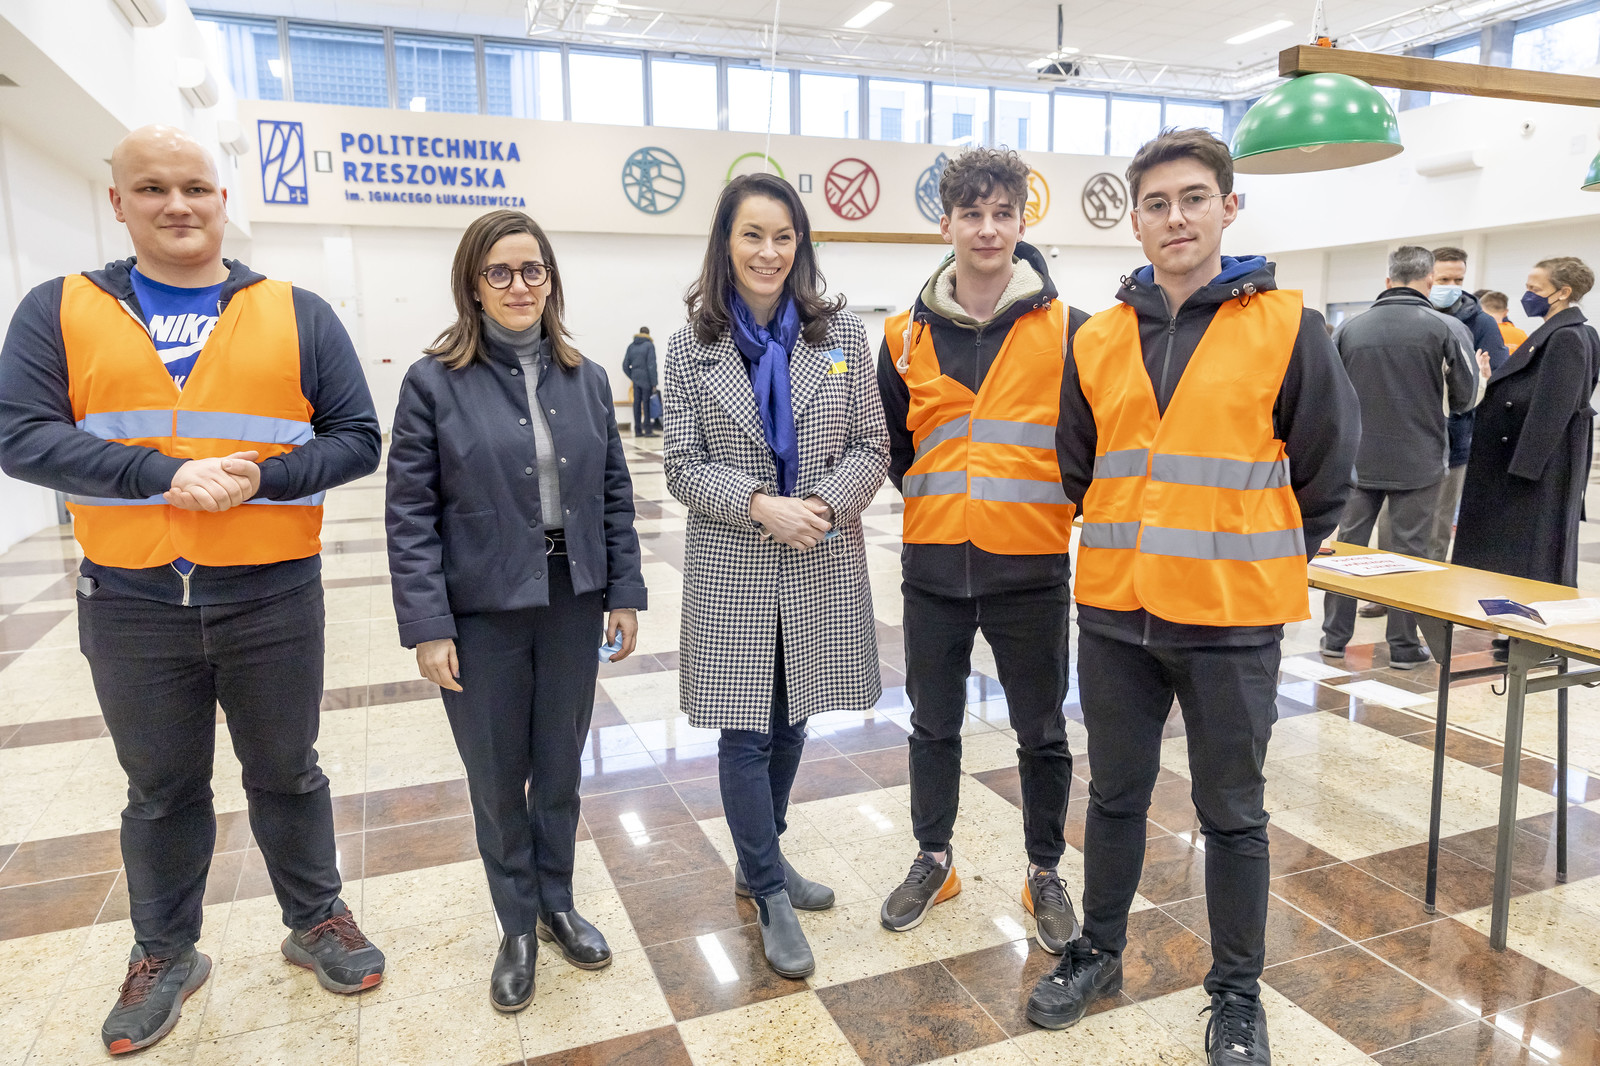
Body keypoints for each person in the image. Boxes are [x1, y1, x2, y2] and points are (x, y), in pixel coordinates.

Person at [0, 126, 386, 1055]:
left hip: (272, 593)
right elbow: (20, 434)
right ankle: (165, 952)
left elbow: (356, 438)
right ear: (119, 202)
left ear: (222, 199)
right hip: (131, 597)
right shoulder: (60, 309)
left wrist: (263, 476)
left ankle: (317, 920)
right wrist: (158, 476)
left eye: (195, 187)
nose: (177, 204)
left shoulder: (297, 312)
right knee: (160, 788)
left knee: (288, 769)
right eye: (153, 188)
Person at [1038, 129, 1359, 1066]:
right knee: (1115, 797)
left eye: (1192, 198)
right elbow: (1078, 466)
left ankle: (1237, 995)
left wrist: (1244, 546)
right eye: (1156, 203)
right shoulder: (1097, 337)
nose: (1174, 217)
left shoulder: (1290, 326)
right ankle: (1098, 951)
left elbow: (1326, 474)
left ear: (1228, 207)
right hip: (1116, 613)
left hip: (1231, 617)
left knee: (1234, 815)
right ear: (1134, 221)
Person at [385, 209, 645, 1012]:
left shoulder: (585, 377)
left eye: (533, 269)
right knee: (499, 777)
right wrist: (429, 625)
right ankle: (517, 926)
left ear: (550, 279)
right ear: (473, 285)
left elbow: (613, 494)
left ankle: (557, 903)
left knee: (560, 767)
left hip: (572, 598)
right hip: (482, 610)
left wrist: (625, 591)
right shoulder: (432, 382)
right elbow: (410, 513)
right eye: (499, 272)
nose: (519, 285)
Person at [662, 173, 888, 979]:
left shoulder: (842, 337)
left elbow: (872, 445)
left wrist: (821, 504)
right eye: (752, 235)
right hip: (736, 566)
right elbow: (681, 466)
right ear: (726, 244)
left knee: (793, 720)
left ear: (801, 244)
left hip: (818, 555)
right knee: (746, 730)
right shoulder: (690, 347)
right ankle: (766, 890)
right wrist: (761, 505)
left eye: (783, 236)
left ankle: (764, 855)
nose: (769, 252)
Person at [874, 147, 1087, 953]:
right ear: (947, 224)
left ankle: (1045, 870)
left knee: (1042, 730)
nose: (988, 229)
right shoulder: (903, 336)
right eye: (973, 214)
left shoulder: (1072, 331)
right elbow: (898, 448)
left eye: (1003, 214)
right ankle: (935, 859)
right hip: (933, 566)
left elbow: (1087, 442)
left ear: (1023, 223)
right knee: (932, 725)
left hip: (1030, 567)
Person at [1320, 246, 1477, 669]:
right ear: (1429, 281)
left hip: (1357, 460)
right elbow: (1465, 400)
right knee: (1408, 555)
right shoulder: (1447, 327)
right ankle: (1404, 647)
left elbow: (1329, 392)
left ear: (1388, 280)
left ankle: (1334, 638)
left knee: (1347, 548)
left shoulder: (1349, 328)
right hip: (1419, 459)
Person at [1454, 257, 1600, 603]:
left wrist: (1524, 469)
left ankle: (1520, 619)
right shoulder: (1567, 331)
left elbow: (1554, 407)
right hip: (1534, 458)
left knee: (1529, 550)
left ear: (1562, 292)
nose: (1527, 295)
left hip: (1534, 465)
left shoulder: (1566, 336)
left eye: (1535, 288)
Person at [1428, 247, 1508, 561]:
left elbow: (1496, 375)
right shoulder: (1414, 315)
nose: (1452, 286)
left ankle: (1427, 584)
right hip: (1407, 436)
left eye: (1458, 279)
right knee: (1393, 523)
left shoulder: (1481, 323)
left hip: (1455, 438)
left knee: (1439, 523)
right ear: (1428, 276)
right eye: (1444, 279)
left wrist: (1478, 377)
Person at [623, 326, 658, 437]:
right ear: (648, 334)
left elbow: (625, 365)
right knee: (646, 404)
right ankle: (648, 430)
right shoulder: (649, 345)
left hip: (636, 379)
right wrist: (654, 383)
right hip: (646, 379)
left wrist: (633, 376)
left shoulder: (631, 346)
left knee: (636, 404)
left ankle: (637, 430)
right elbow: (651, 365)